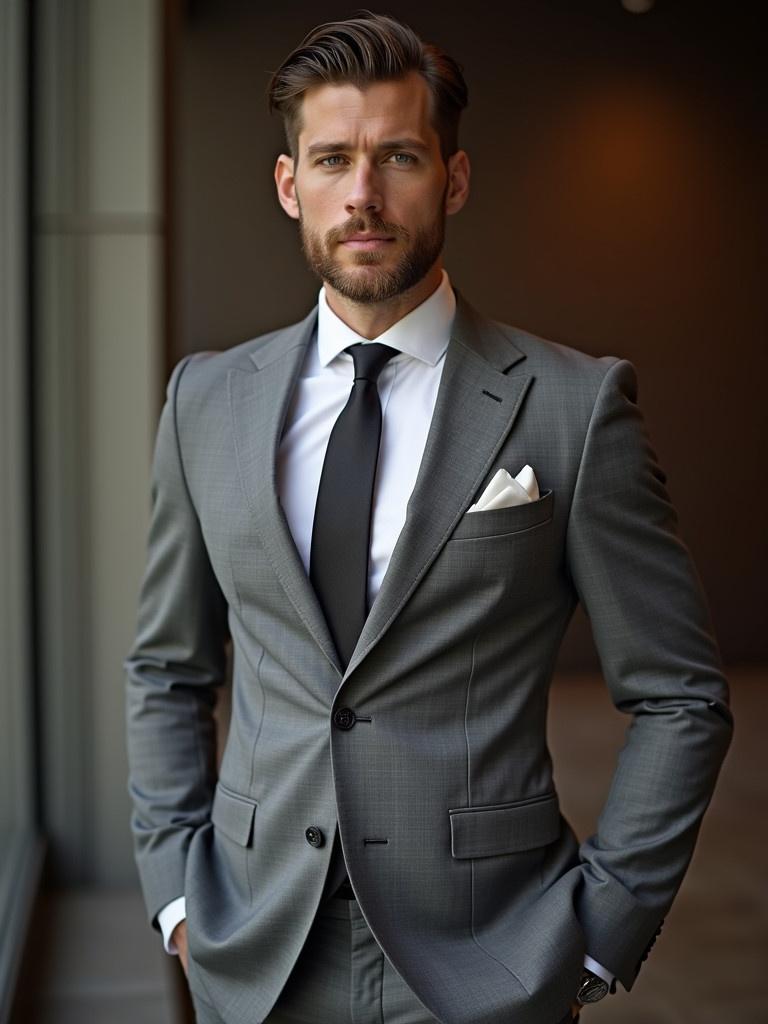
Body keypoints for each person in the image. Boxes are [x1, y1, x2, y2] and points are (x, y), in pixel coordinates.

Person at [125, 13, 733, 1024]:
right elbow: (166, 667)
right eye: (331, 160)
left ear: (451, 177)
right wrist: (180, 896)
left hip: (489, 958)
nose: (362, 195)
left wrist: (597, 931)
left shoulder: (574, 408)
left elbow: (681, 695)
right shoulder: (207, 401)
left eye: (397, 156)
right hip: (254, 948)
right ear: (290, 187)